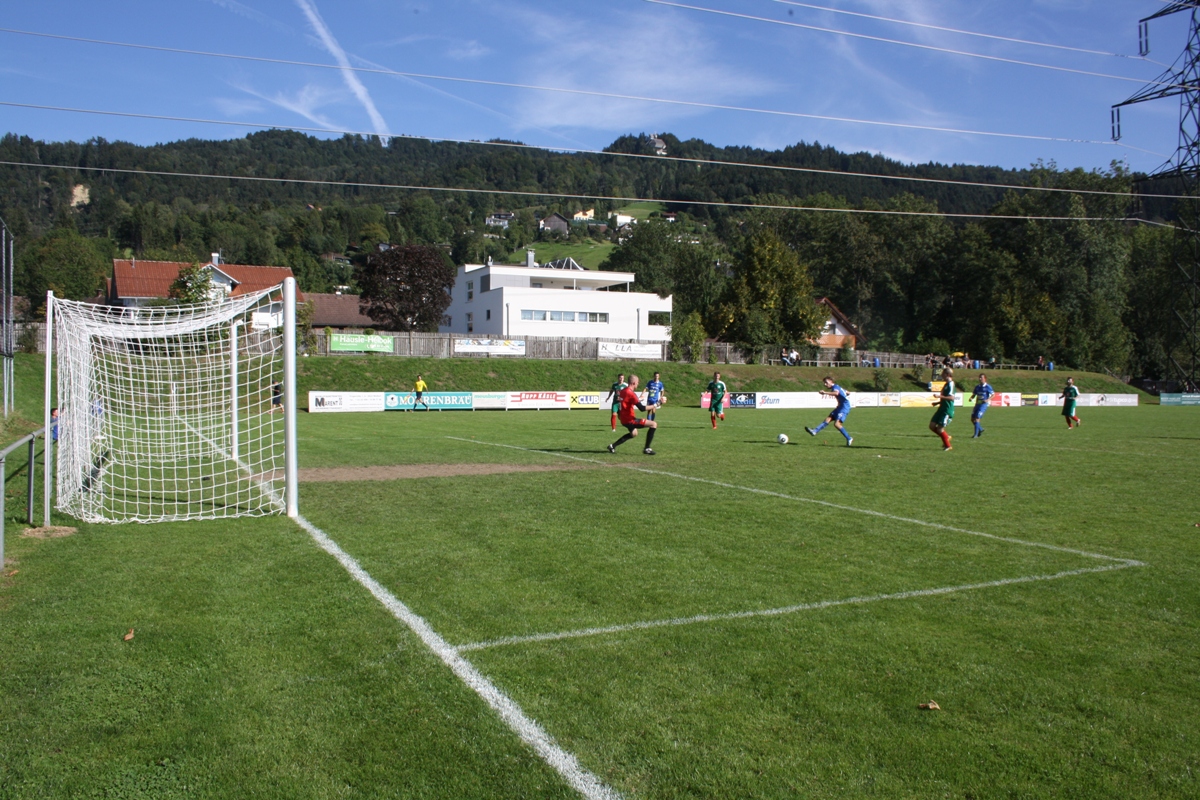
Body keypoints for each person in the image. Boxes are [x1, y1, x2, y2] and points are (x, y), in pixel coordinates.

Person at [607, 374, 658, 455]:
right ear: (634, 383)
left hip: (623, 419)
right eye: (638, 382)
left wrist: (638, 399)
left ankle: (612, 446)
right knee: (653, 424)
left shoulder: (623, 391)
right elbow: (642, 408)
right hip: (630, 420)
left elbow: (625, 400)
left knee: (634, 433)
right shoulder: (631, 393)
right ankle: (647, 448)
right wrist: (657, 404)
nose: (638, 384)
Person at [804, 376, 853, 446]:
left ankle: (849, 438)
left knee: (837, 424)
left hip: (844, 407)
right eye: (824, 383)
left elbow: (836, 393)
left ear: (831, 381)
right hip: (840, 407)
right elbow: (848, 392)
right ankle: (815, 431)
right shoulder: (837, 387)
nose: (825, 384)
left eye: (826, 382)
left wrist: (825, 393)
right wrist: (844, 394)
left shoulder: (835, 387)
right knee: (828, 419)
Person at [930, 367, 956, 451]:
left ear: (947, 374)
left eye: (943, 374)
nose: (941, 375)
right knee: (932, 426)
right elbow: (945, 398)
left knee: (940, 428)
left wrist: (939, 396)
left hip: (947, 410)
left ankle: (948, 446)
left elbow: (951, 398)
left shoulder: (951, 384)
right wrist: (937, 403)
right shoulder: (946, 384)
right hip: (941, 409)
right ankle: (946, 436)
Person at [969, 373, 994, 438]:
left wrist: (988, 399)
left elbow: (993, 395)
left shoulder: (988, 387)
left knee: (977, 418)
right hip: (977, 404)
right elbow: (974, 394)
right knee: (972, 419)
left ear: (985, 379)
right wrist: (971, 398)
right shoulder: (977, 387)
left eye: (981, 377)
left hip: (983, 405)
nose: (980, 379)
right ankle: (980, 429)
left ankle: (976, 435)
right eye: (979, 377)